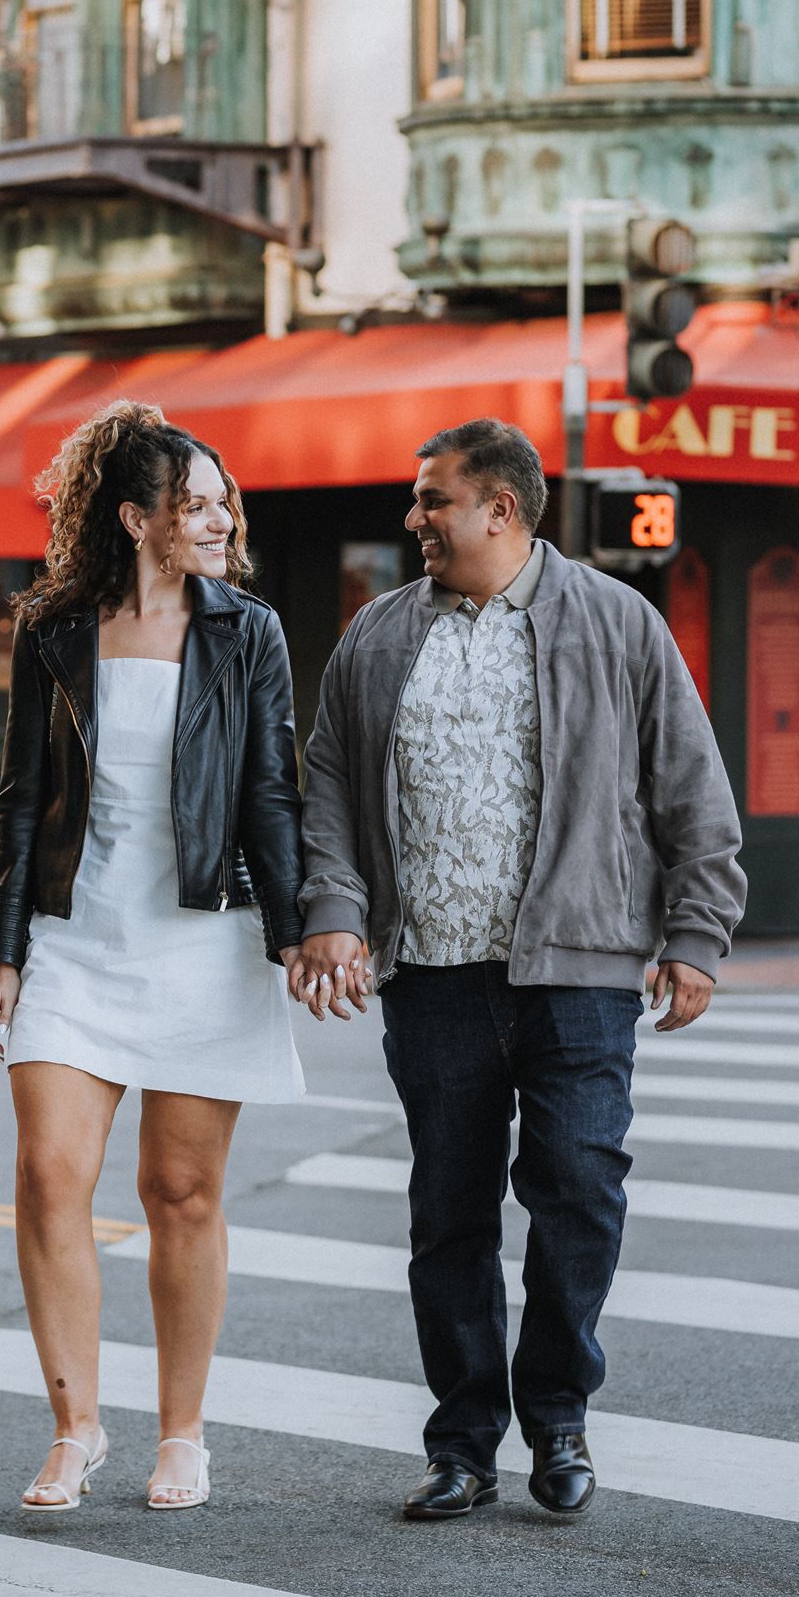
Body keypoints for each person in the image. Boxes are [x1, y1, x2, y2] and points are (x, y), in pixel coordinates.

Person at [291, 419, 745, 1522]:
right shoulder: (378, 635)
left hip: (578, 972)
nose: (415, 519)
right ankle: (461, 1441)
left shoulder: (616, 621)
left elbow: (692, 786)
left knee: (580, 1192)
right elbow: (331, 791)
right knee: (448, 1214)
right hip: (434, 973)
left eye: (432, 500)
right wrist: (337, 915)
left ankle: (558, 1415)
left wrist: (695, 932)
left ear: (500, 509)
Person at [0, 400, 307, 1515]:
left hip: (204, 936)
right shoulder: (56, 631)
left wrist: (299, 929)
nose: (220, 520)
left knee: (180, 1190)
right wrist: (5, 952)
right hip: (78, 936)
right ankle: (75, 1427)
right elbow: (23, 799)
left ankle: (183, 1431)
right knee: (46, 1175)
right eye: (195, 504)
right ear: (135, 519)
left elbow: (270, 792)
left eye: (223, 501)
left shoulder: (246, 631)